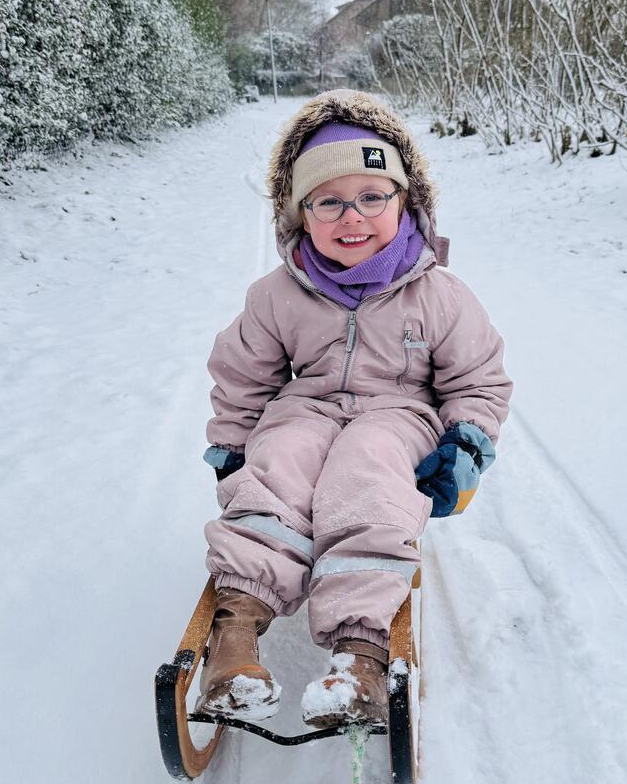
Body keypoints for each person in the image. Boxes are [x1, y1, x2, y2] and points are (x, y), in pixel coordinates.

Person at [199, 89, 512, 729]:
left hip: (397, 418)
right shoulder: (275, 296)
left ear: (406, 203)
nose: (354, 218)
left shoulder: (441, 297)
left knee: (367, 472)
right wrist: (234, 444)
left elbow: (478, 378)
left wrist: (467, 444)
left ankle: (360, 651)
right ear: (300, 214)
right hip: (304, 409)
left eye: (373, 197)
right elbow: (242, 376)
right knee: (280, 459)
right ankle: (235, 632)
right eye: (329, 201)